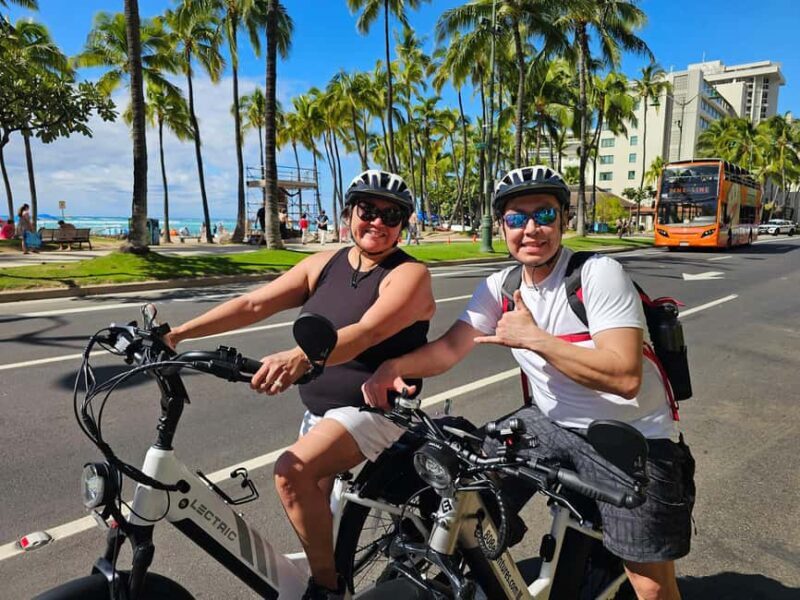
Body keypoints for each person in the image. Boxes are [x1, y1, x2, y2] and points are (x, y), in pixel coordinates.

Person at [363, 165, 695, 600]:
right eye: (517, 219)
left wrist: (537, 340)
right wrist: (394, 368)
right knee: (464, 494)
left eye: (545, 214)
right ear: (502, 226)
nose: (532, 229)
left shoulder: (597, 274)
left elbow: (625, 376)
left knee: (651, 586)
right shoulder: (501, 286)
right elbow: (449, 349)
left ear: (564, 220)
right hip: (549, 422)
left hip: (633, 439)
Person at [164, 169, 435, 600]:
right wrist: (176, 334)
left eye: (392, 215)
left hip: (375, 410)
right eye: (368, 210)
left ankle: (328, 591)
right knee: (315, 520)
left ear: (403, 224)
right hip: (321, 414)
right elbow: (254, 303)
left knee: (292, 473)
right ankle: (328, 568)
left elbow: (365, 332)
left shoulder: (409, 274)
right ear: (350, 212)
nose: (378, 223)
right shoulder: (324, 263)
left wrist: (302, 357)